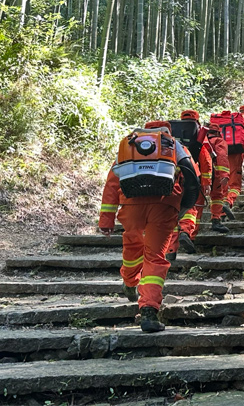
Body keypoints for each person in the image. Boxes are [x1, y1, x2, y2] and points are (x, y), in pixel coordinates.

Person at [99, 121, 199, 332]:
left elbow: (112, 183)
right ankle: (149, 311)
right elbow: (192, 176)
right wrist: (183, 207)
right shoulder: (173, 145)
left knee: (132, 245)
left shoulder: (130, 146)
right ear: (167, 130)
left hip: (131, 206)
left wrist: (106, 219)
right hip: (164, 206)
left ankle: (129, 281)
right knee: (155, 258)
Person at [166, 110, 215, 257]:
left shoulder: (170, 132)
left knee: (173, 211)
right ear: (197, 119)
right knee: (192, 209)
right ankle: (187, 232)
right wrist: (206, 182)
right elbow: (205, 159)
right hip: (192, 176)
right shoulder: (197, 134)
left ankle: (171, 249)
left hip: (172, 177)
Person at [206, 116, 244, 232]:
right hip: (233, 160)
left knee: (219, 192)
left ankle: (219, 216)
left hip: (206, 172)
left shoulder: (203, 141)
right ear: (219, 132)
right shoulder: (221, 140)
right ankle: (227, 202)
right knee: (234, 186)